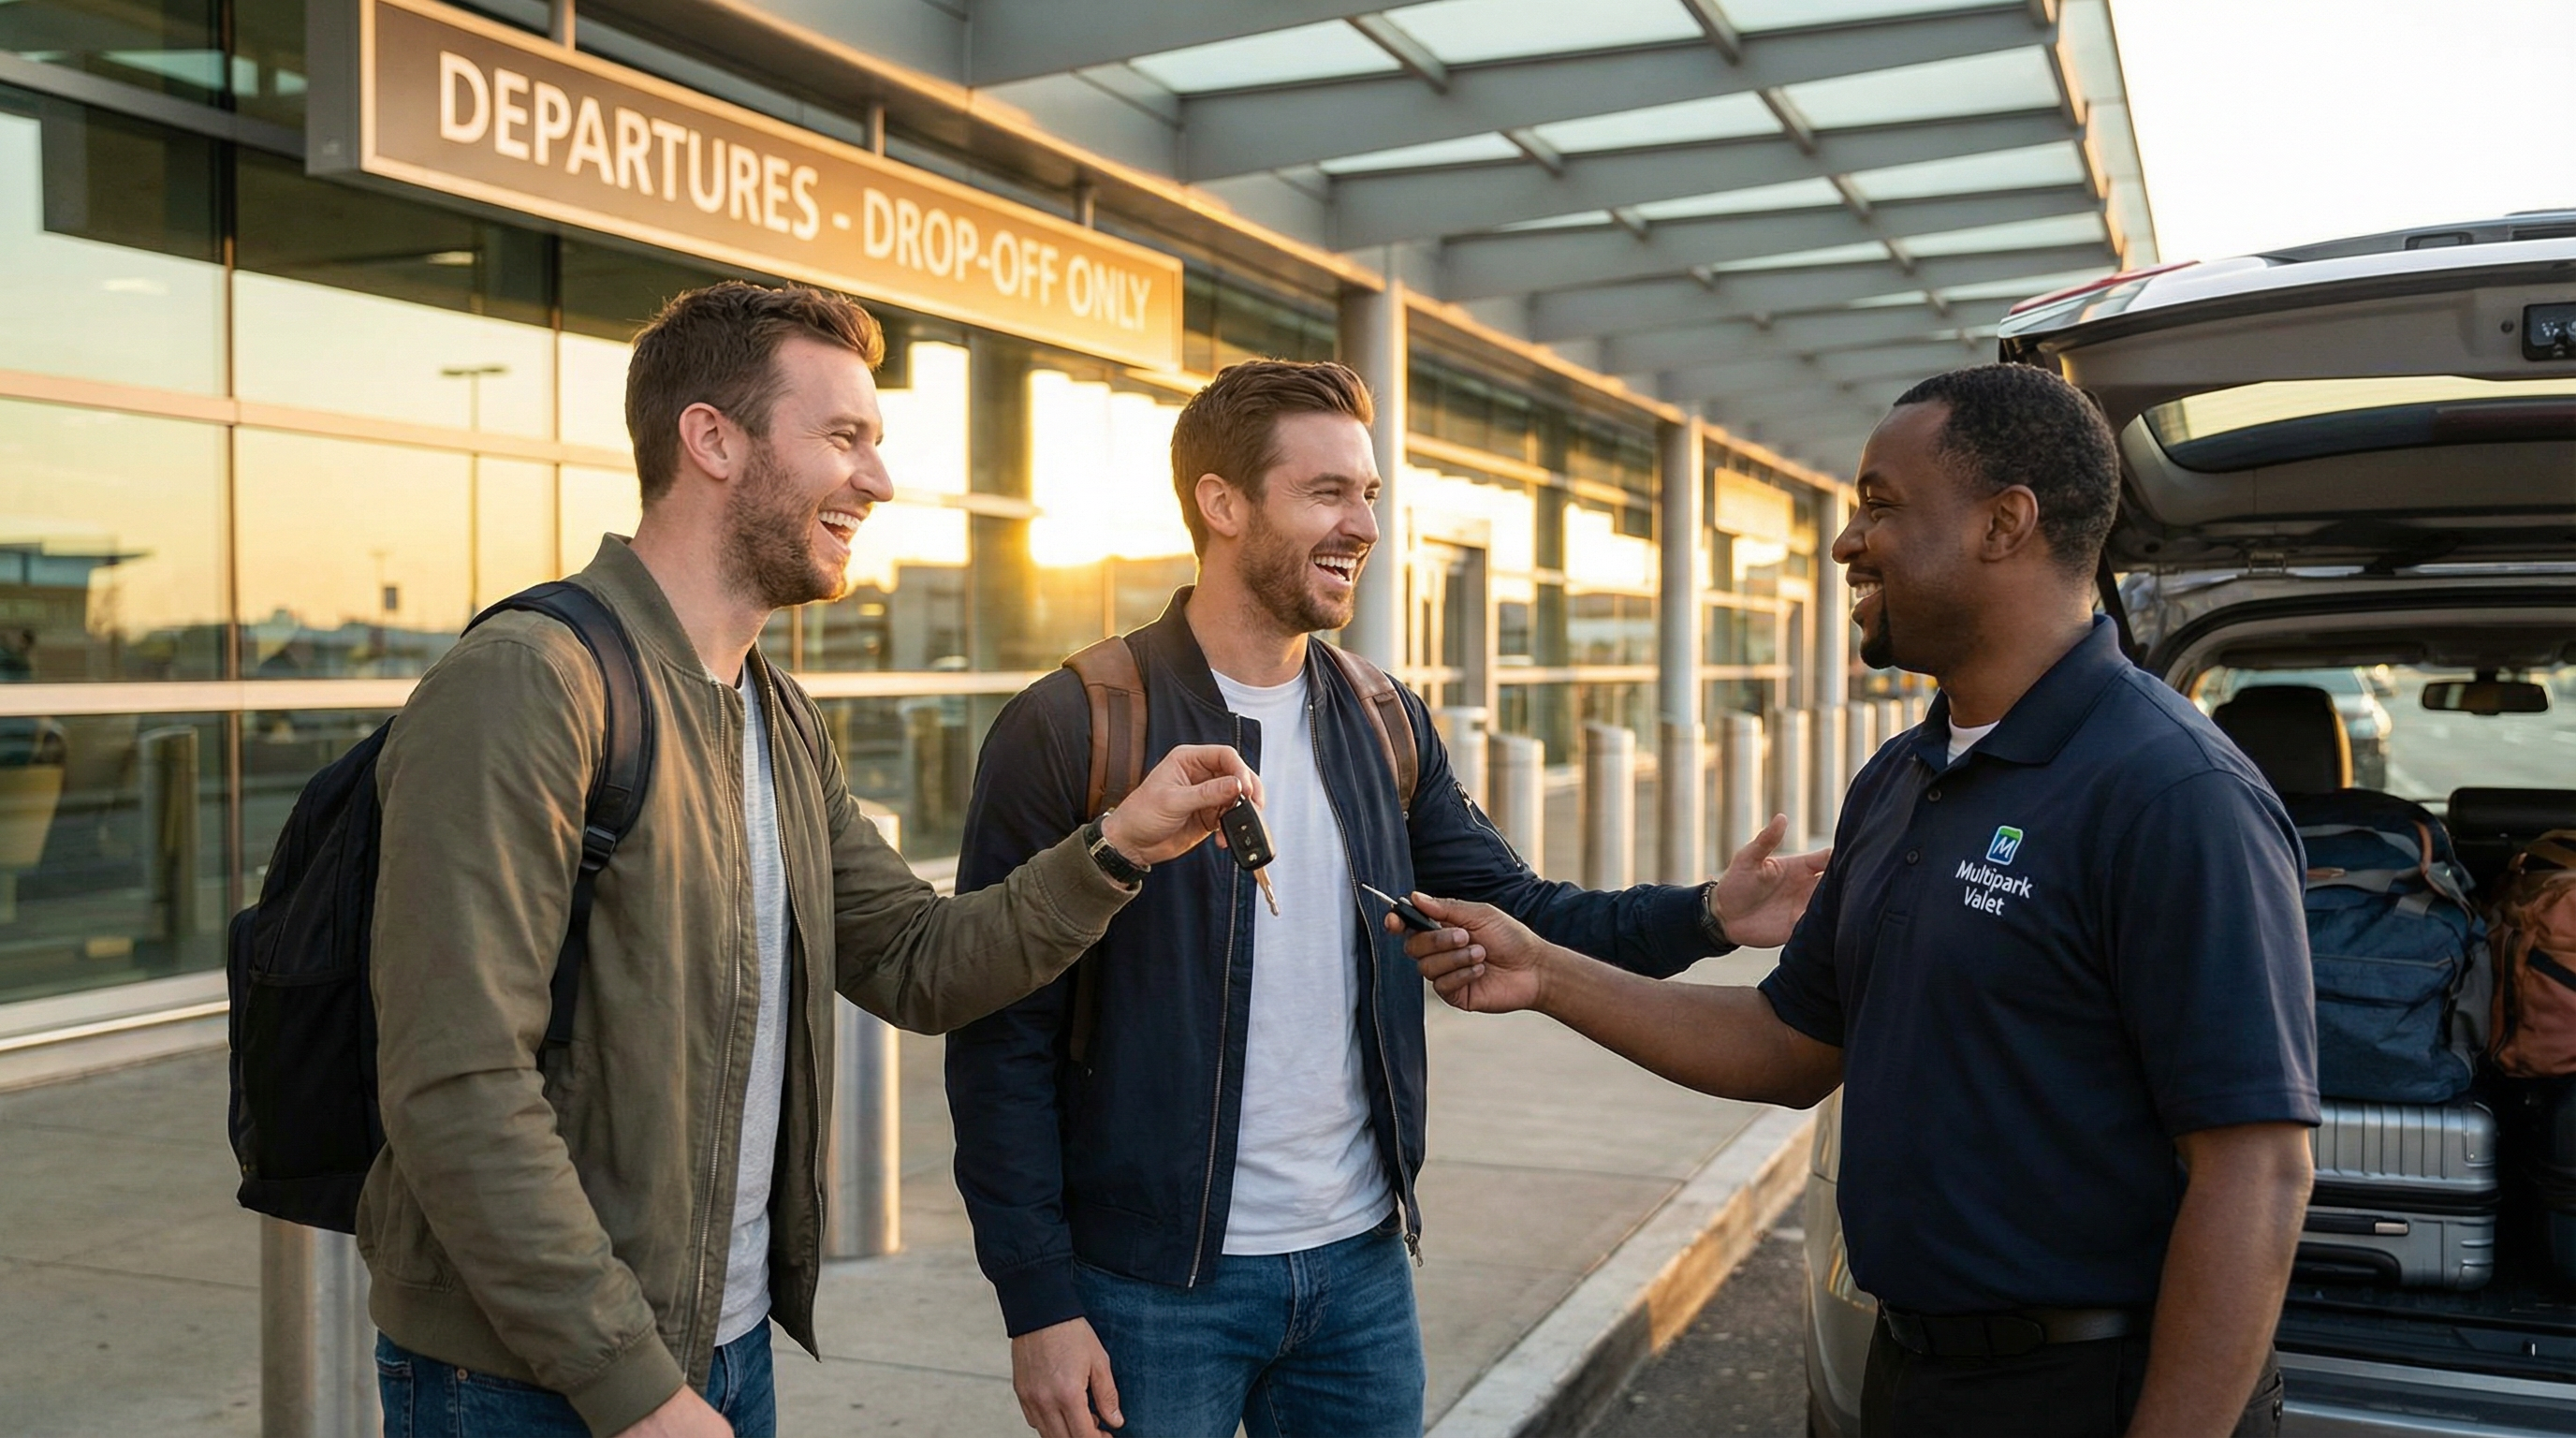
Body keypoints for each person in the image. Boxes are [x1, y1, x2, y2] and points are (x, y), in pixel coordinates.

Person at [361, 282, 1262, 1438]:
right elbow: (458, 1083)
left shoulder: (772, 712)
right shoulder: (532, 683)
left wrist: (1117, 846)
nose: (878, 482)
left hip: (721, 1351)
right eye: (844, 437)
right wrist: (628, 1389)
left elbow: (917, 961)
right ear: (712, 438)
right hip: (534, 1382)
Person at [1400, 364, 2318, 1438]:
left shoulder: (2172, 792)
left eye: (1881, 507)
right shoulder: (1901, 777)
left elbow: (2255, 1170)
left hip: (2086, 1392)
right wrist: (1548, 973)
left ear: (2003, 523)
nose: (1846, 544)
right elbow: (1792, 1041)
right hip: (1909, 1375)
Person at [944, 358, 1829, 1438]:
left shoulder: (1379, 717)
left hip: (1362, 1270)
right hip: (1148, 1289)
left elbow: (1519, 908)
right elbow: (1000, 1033)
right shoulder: (1077, 723)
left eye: (1367, 493)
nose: (1363, 523)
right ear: (1221, 505)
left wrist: (1706, 916)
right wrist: (1038, 1302)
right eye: (1327, 492)